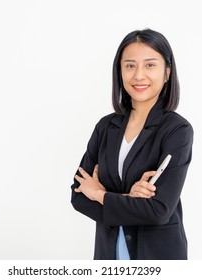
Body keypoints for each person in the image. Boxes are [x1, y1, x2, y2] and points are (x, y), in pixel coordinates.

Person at [70, 28, 194, 260]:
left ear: (167, 72)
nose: (138, 76)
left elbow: (159, 211)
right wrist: (129, 199)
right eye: (129, 65)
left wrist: (100, 194)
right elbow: (78, 196)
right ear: (120, 72)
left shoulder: (177, 130)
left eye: (150, 65)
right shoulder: (106, 127)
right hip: (109, 254)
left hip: (157, 256)